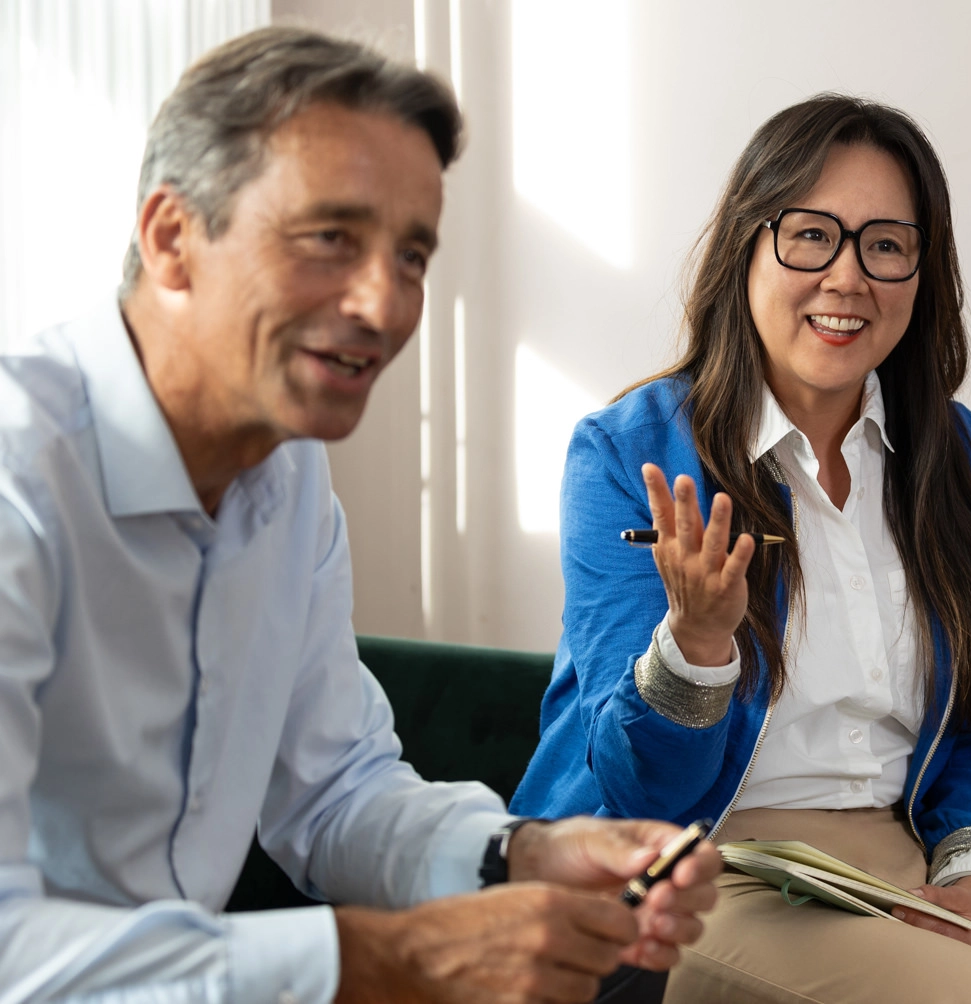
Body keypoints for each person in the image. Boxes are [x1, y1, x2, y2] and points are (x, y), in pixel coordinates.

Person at [0, 27, 718, 1004]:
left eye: (412, 255)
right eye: (330, 237)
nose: (384, 305)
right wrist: (392, 957)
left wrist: (526, 850)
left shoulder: (290, 483)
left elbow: (334, 790)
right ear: (172, 238)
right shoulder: (16, 478)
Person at [508, 94, 971, 1003]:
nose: (847, 277)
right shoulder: (626, 453)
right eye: (810, 235)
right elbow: (637, 784)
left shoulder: (968, 461)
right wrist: (697, 648)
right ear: (747, 249)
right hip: (690, 861)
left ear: (923, 269)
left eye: (884, 243)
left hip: (892, 863)